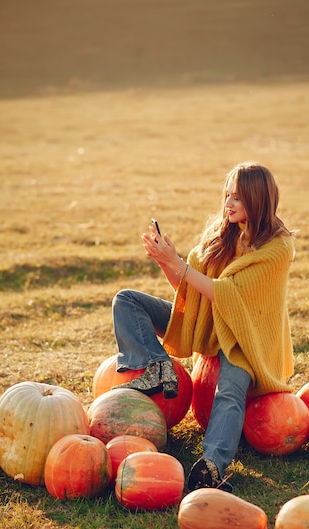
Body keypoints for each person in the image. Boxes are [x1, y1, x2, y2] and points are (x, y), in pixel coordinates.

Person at [112, 162, 295, 491]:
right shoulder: (222, 234)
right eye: (227, 195)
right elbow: (188, 292)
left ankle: (213, 463)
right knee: (127, 301)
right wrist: (168, 262)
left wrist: (180, 266)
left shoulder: (277, 249)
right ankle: (157, 365)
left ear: (257, 199)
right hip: (209, 325)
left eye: (237, 197)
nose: (228, 203)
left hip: (244, 338)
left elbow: (227, 294)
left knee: (230, 392)